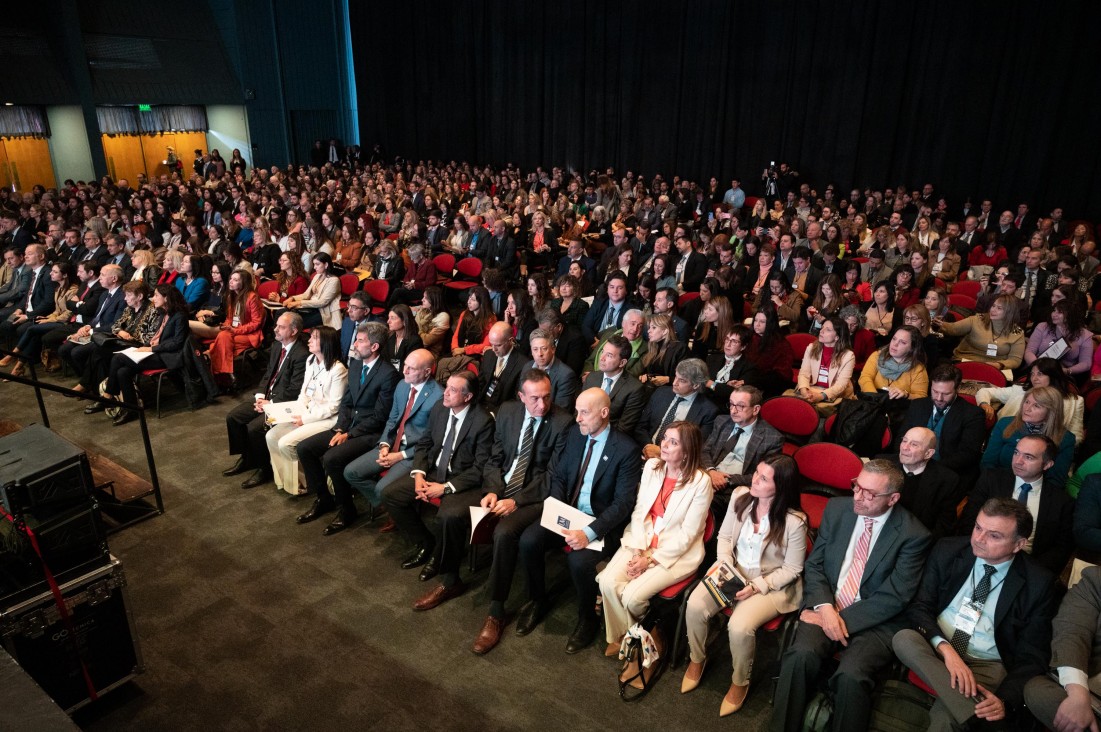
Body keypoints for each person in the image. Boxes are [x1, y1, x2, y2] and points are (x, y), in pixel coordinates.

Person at [412, 370, 571, 655]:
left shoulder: (562, 422)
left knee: (504, 533)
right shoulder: (508, 412)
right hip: (498, 485)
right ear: (521, 397)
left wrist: (516, 501)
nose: (542, 404)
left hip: (532, 496)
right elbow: (494, 458)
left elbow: (552, 475)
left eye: (547, 397)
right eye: (534, 398)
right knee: (450, 515)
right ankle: (450, 580)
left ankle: (496, 611)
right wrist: (494, 491)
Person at [771, 461, 931, 732]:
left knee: (851, 677)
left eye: (869, 493)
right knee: (799, 656)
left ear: (893, 499)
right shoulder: (838, 509)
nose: (858, 496)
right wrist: (825, 609)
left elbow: (895, 597)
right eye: (856, 486)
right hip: (827, 604)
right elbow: (815, 565)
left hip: (876, 620)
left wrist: (835, 619)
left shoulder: (913, 534)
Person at [893, 498, 1057, 732]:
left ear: (1018, 544)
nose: (979, 539)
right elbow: (920, 606)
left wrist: (1004, 700)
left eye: (994, 535)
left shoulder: (1039, 583)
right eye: (978, 527)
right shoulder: (948, 549)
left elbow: (1033, 655)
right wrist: (948, 652)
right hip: (936, 647)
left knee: (944, 721)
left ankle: (966, 710)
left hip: (986, 663)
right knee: (903, 639)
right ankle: (974, 714)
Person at [515, 388, 641, 653]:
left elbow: (622, 504)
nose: (578, 418)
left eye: (585, 412)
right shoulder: (575, 435)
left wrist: (589, 532)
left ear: (604, 413)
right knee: (529, 540)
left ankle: (587, 619)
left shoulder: (626, 450)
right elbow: (560, 476)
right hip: (568, 514)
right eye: (577, 411)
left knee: (578, 560)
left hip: (600, 523)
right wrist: (558, 510)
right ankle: (537, 600)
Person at [683, 454, 807, 715]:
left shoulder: (795, 522)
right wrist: (724, 564)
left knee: (738, 627)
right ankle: (697, 658)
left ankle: (740, 681)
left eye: (764, 478)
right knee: (694, 604)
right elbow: (725, 537)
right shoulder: (741, 496)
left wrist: (757, 585)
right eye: (756, 473)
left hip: (768, 583)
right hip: (733, 570)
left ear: (780, 487)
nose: (755, 480)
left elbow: (793, 569)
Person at [598, 421, 712, 686]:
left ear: (687, 451)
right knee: (606, 582)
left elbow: (689, 534)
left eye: (673, 442)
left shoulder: (700, 482)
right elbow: (639, 512)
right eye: (665, 439)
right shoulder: (652, 467)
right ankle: (630, 636)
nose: (664, 445)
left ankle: (647, 647)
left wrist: (649, 559)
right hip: (642, 540)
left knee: (632, 596)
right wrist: (639, 548)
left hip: (675, 553)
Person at [381, 371, 495, 577]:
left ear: (467, 397)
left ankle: (440, 558)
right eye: (447, 386)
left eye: (453, 390)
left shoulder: (482, 421)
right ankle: (426, 542)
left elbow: (480, 467)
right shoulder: (440, 409)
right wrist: (419, 475)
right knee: (390, 494)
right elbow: (425, 443)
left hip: (461, 479)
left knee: (447, 516)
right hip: (434, 471)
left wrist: (444, 488)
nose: (446, 393)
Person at [294, 322, 399, 532]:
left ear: (375, 346)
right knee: (305, 448)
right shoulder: (356, 365)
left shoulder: (388, 374)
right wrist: (341, 429)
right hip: (348, 426)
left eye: (360, 341)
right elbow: (347, 403)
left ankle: (346, 509)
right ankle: (324, 499)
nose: (355, 345)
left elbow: (380, 417)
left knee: (332, 458)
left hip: (370, 433)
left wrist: (349, 434)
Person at [343, 349, 441, 524]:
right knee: (351, 473)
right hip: (392, 444)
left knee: (382, 488)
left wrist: (400, 456)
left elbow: (432, 440)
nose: (405, 371)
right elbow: (393, 419)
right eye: (405, 366)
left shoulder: (438, 397)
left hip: (413, 452)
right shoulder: (403, 385)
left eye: (412, 368)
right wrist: (384, 445)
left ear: (427, 372)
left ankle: (395, 510)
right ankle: (391, 507)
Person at [960, 434, 1075, 576]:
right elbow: (968, 522)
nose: (1018, 461)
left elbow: (1061, 549)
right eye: (1016, 453)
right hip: (982, 557)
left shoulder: (1061, 501)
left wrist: (1033, 573)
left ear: (1047, 464)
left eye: (1028, 457)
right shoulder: (991, 480)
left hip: (1029, 569)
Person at [222, 312, 309, 486]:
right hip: (267, 398)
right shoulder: (277, 346)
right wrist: (261, 397)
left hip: (283, 404)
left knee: (255, 428)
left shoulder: (301, 355)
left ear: (294, 331)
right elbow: (268, 374)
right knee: (234, 417)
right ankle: (247, 457)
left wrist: (271, 404)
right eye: (276, 325)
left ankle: (265, 468)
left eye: (281, 327)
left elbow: (294, 390)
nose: (275, 329)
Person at [263, 326, 348, 495]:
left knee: (285, 443)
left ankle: (303, 484)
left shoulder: (338, 370)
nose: (308, 340)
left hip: (326, 419)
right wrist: (289, 412)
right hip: (306, 412)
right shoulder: (310, 360)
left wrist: (305, 419)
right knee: (271, 435)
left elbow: (333, 407)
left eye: (314, 338)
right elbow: (304, 393)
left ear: (326, 342)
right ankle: (286, 482)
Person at [1023, 565, 1101, 731]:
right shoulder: (1096, 578)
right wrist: (1077, 692)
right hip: (1093, 687)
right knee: (1039, 692)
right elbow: (1072, 630)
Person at [100, 285, 190, 426]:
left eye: (156, 295)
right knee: (123, 372)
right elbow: (156, 336)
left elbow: (177, 343)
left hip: (167, 357)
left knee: (118, 358)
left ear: (166, 298)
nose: (153, 298)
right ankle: (131, 409)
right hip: (156, 352)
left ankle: (108, 394)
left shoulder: (180, 316)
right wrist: (146, 346)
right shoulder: (163, 313)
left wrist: (152, 349)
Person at [980, 386, 1075, 489]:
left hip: (1036, 492)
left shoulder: (1066, 439)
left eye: (1036, 406)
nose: (1027, 408)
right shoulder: (1005, 424)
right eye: (1027, 402)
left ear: (1051, 412)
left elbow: (1055, 481)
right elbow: (988, 463)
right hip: (998, 484)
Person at [976, 357, 1085, 446]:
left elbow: (1076, 436)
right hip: (1008, 439)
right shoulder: (1019, 390)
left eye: (1040, 374)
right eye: (1032, 374)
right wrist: (984, 404)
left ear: (1053, 376)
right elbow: (984, 391)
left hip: (1048, 448)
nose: (1034, 378)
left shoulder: (1075, 401)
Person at [635, 358, 718, 459]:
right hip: (645, 452)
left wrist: (662, 452)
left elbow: (695, 447)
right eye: (676, 377)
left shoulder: (708, 410)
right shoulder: (660, 393)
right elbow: (641, 427)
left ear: (696, 385)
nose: (674, 383)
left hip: (676, 461)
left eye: (682, 380)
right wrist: (648, 447)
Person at [886, 427, 960, 538]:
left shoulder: (946, 480)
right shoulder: (883, 465)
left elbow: (944, 525)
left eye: (914, 444)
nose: (905, 447)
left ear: (928, 453)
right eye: (904, 441)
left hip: (917, 538)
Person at [204, 269, 264, 390]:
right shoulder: (231, 296)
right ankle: (227, 375)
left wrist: (235, 330)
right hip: (233, 332)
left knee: (218, 345)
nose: (231, 282)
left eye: (236, 280)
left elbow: (256, 323)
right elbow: (230, 319)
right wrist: (226, 326)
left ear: (244, 283)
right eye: (231, 279)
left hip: (250, 334)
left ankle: (223, 377)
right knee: (223, 337)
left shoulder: (252, 297)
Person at [935, 294, 1025, 371]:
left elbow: (1015, 360)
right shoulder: (978, 319)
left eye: (999, 308)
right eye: (993, 306)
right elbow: (952, 329)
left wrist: (999, 365)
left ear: (1009, 312)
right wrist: (938, 324)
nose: (993, 310)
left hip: (994, 368)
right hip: (966, 361)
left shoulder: (1016, 333)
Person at [786, 316, 855, 416]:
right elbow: (804, 374)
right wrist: (805, 392)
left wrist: (821, 396)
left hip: (834, 394)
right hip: (812, 389)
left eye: (828, 330)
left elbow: (840, 385)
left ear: (837, 337)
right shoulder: (811, 348)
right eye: (822, 328)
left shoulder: (848, 356)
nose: (821, 331)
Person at [582, 334, 647, 435]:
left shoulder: (635, 389)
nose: (602, 358)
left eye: (609, 355)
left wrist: (595, 432)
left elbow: (624, 428)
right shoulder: (591, 378)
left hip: (610, 438)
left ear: (622, 363)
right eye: (603, 352)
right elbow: (579, 410)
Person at [435, 286, 495, 383]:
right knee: (440, 365)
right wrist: (455, 349)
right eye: (469, 298)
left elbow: (486, 345)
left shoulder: (490, 319)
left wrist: (463, 350)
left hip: (475, 355)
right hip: (458, 351)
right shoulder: (465, 314)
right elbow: (456, 335)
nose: (469, 302)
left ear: (482, 302)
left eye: (473, 300)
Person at [858, 324, 929, 401]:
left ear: (912, 348)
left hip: (897, 408)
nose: (895, 344)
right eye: (894, 339)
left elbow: (921, 397)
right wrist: (876, 398)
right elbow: (865, 378)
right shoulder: (877, 355)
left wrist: (906, 395)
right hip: (871, 401)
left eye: (902, 342)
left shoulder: (918, 369)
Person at [1024, 300, 1093, 377]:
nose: (1054, 314)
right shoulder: (1042, 327)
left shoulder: (1085, 335)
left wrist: (1067, 371)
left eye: (1059, 312)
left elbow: (1086, 363)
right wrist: (1038, 367)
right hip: (1037, 370)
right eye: (1054, 311)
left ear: (1071, 315)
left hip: (1063, 375)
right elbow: (1029, 351)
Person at [280, 252, 342, 329]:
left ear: (326, 265)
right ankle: (277, 338)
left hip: (323, 312)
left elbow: (322, 302)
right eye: (314, 264)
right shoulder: (317, 276)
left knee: (291, 322)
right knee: (281, 312)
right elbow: (306, 294)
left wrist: (298, 303)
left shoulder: (334, 281)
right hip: (311, 307)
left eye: (317, 264)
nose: (315, 267)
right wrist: (292, 298)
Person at [746, 307, 795, 397]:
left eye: (762, 322)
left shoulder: (780, 343)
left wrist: (750, 381)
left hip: (772, 385)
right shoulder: (749, 338)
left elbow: (781, 376)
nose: (757, 324)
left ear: (770, 324)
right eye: (756, 320)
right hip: (750, 379)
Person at [525, 327, 578, 410]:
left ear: (553, 349)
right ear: (531, 351)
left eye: (544, 349)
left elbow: (561, 411)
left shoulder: (566, 375)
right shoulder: (527, 367)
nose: (539, 354)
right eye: (535, 349)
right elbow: (521, 398)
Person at [637, 313, 687, 388]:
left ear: (665, 331)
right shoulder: (652, 347)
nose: (648, 331)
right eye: (649, 328)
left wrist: (668, 379)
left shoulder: (680, 348)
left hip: (670, 390)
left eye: (653, 328)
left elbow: (686, 377)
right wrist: (644, 376)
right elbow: (646, 372)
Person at [383, 304, 423, 372]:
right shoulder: (388, 337)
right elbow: (384, 360)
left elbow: (411, 367)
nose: (388, 321)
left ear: (404, 321)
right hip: (388, 374)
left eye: (392, 318)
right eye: (388, 318)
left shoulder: (415, 341)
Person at [414, 286, 450, 358]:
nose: (422, 300)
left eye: (426, 298)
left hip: (431, 352)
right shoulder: (423, 310)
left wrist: (416, 330)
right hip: (416, 345)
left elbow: (426, 341)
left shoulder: (443, 317)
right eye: (423, 297)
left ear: (434, 300)